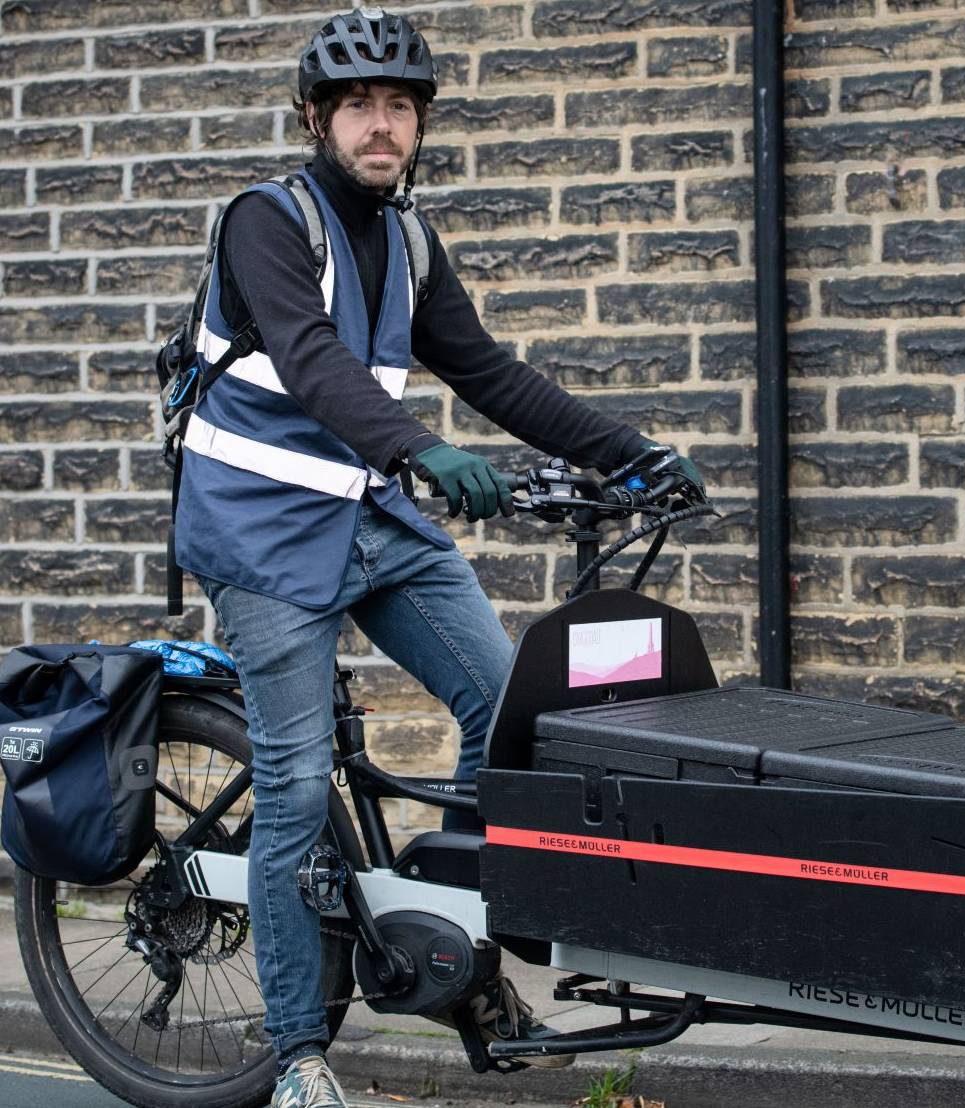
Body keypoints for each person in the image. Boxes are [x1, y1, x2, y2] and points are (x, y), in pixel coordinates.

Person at [175, 10, 703, 1107]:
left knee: (507, 709)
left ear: (418, 124)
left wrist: (632, 452)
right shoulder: (266, 224)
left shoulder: (409, 242)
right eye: (360, 106)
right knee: (290, 779)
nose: (381, 126)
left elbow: (491, 373)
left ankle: (448, 933)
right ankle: (297, 1056)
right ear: (317, 118)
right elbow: (313, 360)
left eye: (400, 107)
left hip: (368, 516)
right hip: (261, 530)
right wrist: (418, 447)